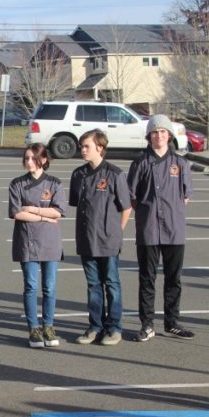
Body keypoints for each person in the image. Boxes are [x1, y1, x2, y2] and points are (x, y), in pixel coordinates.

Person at [127, 114, 195, 341]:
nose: (159, 136)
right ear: (149, 136)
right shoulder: (139, 164)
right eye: (154, 132)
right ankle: (147, 324)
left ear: (169, 135)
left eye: (163, 131)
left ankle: (172, 322)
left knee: (173, 278)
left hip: (174, 231)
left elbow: (185, 197)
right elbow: (132, 198)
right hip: (148, 230)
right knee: (147, 279)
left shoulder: (181, 164)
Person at [69, 130, 131, 346]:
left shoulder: (115, 174)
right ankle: (95, 326)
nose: (82, 150)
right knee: (93, 285)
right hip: (87, 240)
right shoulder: (78, 175)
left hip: (109, 240)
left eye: (86, 146)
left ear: (100, 148)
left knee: (112, 284)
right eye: (81, 146)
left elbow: (127, 208)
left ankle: (114, 328)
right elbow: (78, 205)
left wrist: (118, 231)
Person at [8, 144, 66, 348]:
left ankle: (48, 327)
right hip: (27, 242)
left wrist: (32, 209)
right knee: (31, 286)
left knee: (49, 287)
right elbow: (16, 213)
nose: (28, 162)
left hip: (50, 242)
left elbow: (58, 212)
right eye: (26, 158)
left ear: (43, 159)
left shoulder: (54, 183)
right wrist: (45, 214)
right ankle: (33, 328)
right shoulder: (17, 184)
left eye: (33, 158)